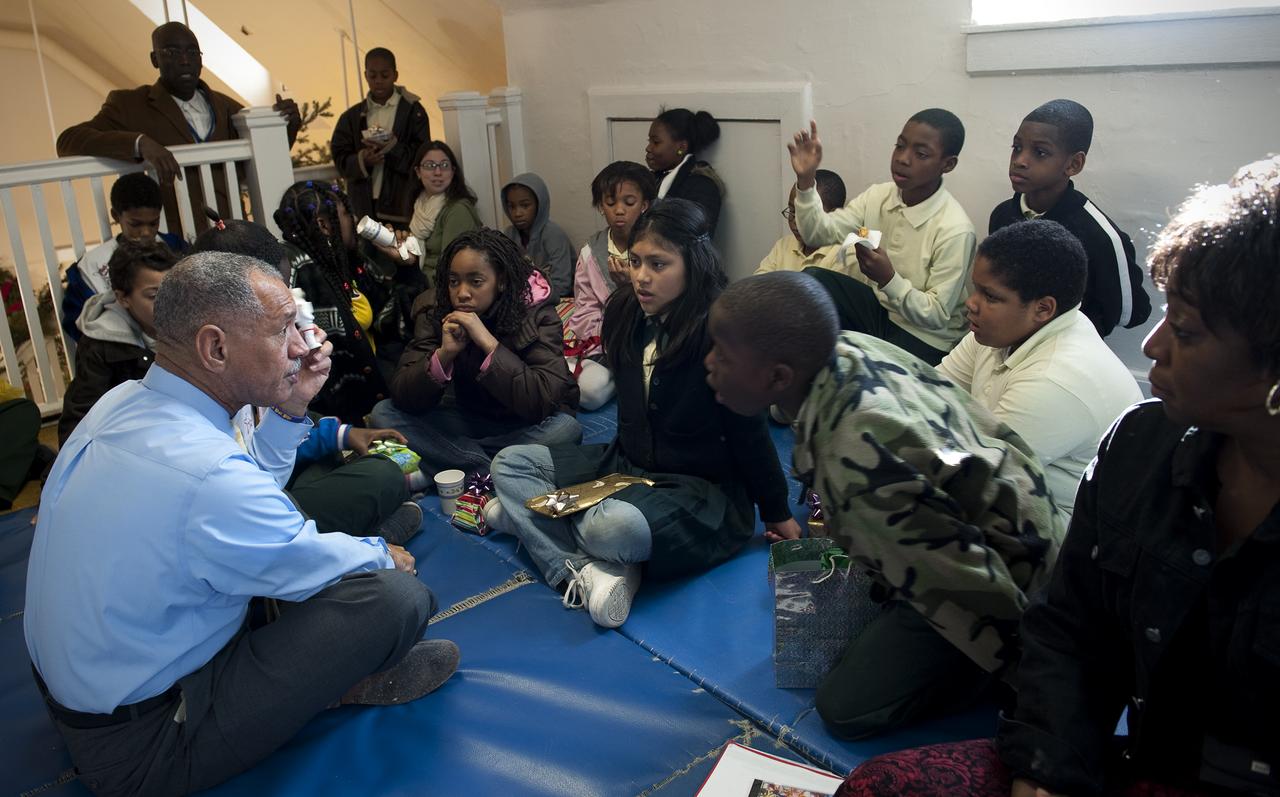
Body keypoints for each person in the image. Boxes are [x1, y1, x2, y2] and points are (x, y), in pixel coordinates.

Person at [837, 156, 1280, 797]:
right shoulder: (1144, 442)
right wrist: (1043, 772)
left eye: (1183, 328)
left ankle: (982, 656)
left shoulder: (1056, 384)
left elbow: (946, 479)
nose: (1152, 347)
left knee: (852, 700)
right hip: (1140, 752)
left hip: (1016, 550)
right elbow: (1077, 632)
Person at [24, 251, 459, 796]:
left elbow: (249, 489)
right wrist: (378, 555)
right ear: (216, 347)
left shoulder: (125, 400)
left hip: (92, 685)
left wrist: (295, 408)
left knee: (325, 546)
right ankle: (333, 685)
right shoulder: (205, 474)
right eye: (283, 331)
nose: (302, 347)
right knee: (399, 600)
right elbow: (233, 496)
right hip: (145, 746)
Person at [705, 270, 1064, 739]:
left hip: (1020, 577)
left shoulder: (853, 465)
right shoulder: (847, 348)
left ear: (779, 377)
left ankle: (979, 681)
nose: (709, 363)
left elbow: (975, 587)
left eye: (723, 355)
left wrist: (1038, 685)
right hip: (1022, 516)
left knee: (844, 708)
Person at [490, 199, 799, 630]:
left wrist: (776, 510)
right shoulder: (624, 311)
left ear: (692, 264)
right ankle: (580, 567)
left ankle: (534, 520)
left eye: (658, 263)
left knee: (611, 530)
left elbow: (749, 431)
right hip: (625, 465)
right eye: (635, 261)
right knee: (510, 463)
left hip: (698, 491)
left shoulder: (724, 329)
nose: (641, 276)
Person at [190, 217, 427, 540]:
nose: (300, 341)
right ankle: (363, 534)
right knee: (382, 476)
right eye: (280, 314)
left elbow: (267, 456)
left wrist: (331, 427)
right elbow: (254, 507)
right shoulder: (201, 411)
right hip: (253, 524)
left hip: (265, 493)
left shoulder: (235, 361)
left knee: (330, 459)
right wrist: (370, 556)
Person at [938, 220, 1142, 517]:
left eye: (990, 296)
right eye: (976, 290)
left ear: (1043, 309)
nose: (971, 303)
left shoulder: (1054, 381)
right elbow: (929, 392)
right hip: (1008, 487)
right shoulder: (998, 331)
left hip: (1068, 536)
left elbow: (969, 476)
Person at [371, 228, 581, 481]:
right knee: (383, 413)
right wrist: (443, 355)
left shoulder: (536, 313)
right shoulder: (435, 310)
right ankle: (492, 468)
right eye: (453, 281)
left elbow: (542, 400)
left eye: (476, 282)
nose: (462, 293)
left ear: (501, 281)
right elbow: (404, 395)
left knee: (566, 430)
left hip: (523, 423)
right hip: (467, 416)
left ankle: (445, 466)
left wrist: (489, 345)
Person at [55, 22, 301, 236]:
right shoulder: (129, 104)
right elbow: (68, 141)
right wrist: (140, 143)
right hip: (176, 238)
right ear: (155, 59)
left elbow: (260, 162)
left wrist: (289, 126)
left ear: (201, 60)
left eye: (192, 52)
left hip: (230, 234)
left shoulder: (226, 106)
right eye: (172, 52)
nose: (185, 60)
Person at [789, 111, 976, 365]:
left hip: (927, 337)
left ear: (948, 164)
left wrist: (888, 279)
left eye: (920, 154)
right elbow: (817, 233)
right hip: (882, 311)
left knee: (860, 372)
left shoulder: (955, 229)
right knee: (811, 281)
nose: (902, 159)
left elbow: (938, 315)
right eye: (900, 146)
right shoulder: (878, 196)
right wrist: (806, 180)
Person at [990, 99, 1151, 338]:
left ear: (1074, 164)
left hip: (1061, 350)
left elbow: (1132, 312)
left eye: (1040, 152)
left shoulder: (1098, 236)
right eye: (1016, 147)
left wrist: (1066, 326)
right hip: (1007, 341)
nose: (1020, 160)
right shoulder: (1003, 215)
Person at [274, 180, 393, 424]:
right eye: (346, 214)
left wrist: (403, 265)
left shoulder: (346, 262)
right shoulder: (300, 270)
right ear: (324, 225)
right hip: (336, 417)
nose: (354, 218)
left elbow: (396, 319)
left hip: (376, 399)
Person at [58, 240, 175, 445]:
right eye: (154, 296)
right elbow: (79, 419)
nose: (168, 303)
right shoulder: (101, 343)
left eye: (172, 290)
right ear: (123, 298)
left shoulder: (190, 326)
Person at [566, 161, 658, 410]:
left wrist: (630, 288)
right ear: (600, 206)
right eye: (610, 202)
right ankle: (625, 379)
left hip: (653, 340)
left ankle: (633, 378)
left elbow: (668, 307)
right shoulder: (591, 253)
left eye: (629, 203)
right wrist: (610, 343)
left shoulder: (658, 247)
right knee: (587, 390)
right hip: (606, 346)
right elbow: (585, 309)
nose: (619, 210)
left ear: (645, 205)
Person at [60, 172, 185, 342]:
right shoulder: (92, 266)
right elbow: (81, 325)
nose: (146, 232)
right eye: (135, 224)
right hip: (122, 352)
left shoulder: (175, 247)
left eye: (153, 223)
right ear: (116, 216)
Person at [330, 47, 432, 227]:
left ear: (395, 75)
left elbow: (423, 157)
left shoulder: (413, 112)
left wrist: (392, 147)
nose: (378, 81)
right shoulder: (351, 117)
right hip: (363, 204)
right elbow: (340, 156)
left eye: (384, 75)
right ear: (365, 75)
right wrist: (363, 159)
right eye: (372, 75)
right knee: (367, 253)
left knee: (401, 253)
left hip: (401, 204)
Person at [406, 140, 484, 290]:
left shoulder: (458, 210)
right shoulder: (420, 205)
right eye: (430, 166)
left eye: (444, 165)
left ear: (453, 172)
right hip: (423, 282)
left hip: (444, 290)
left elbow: (452, 269)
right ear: (417, 172)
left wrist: (417, 283)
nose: (437, 172)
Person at [645, 108, 725, 233]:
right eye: (649, 141)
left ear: (681, 147)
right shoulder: (651, 178)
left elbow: (691, 239)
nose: (648, 148)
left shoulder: (702, 188)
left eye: (656, 142)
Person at [756, 169, 847, 275]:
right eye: (792, 211)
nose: (795, 221)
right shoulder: (783, 246)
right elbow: (758, 286)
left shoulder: (845, 255)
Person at [501, 172, 576, 300]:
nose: (517, 213)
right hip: (523, 300)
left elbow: (562, 285)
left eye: (525, 205)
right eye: (511, 206)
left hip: (559, 299)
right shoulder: (509, 235)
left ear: (539, 205)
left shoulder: (553, 235)